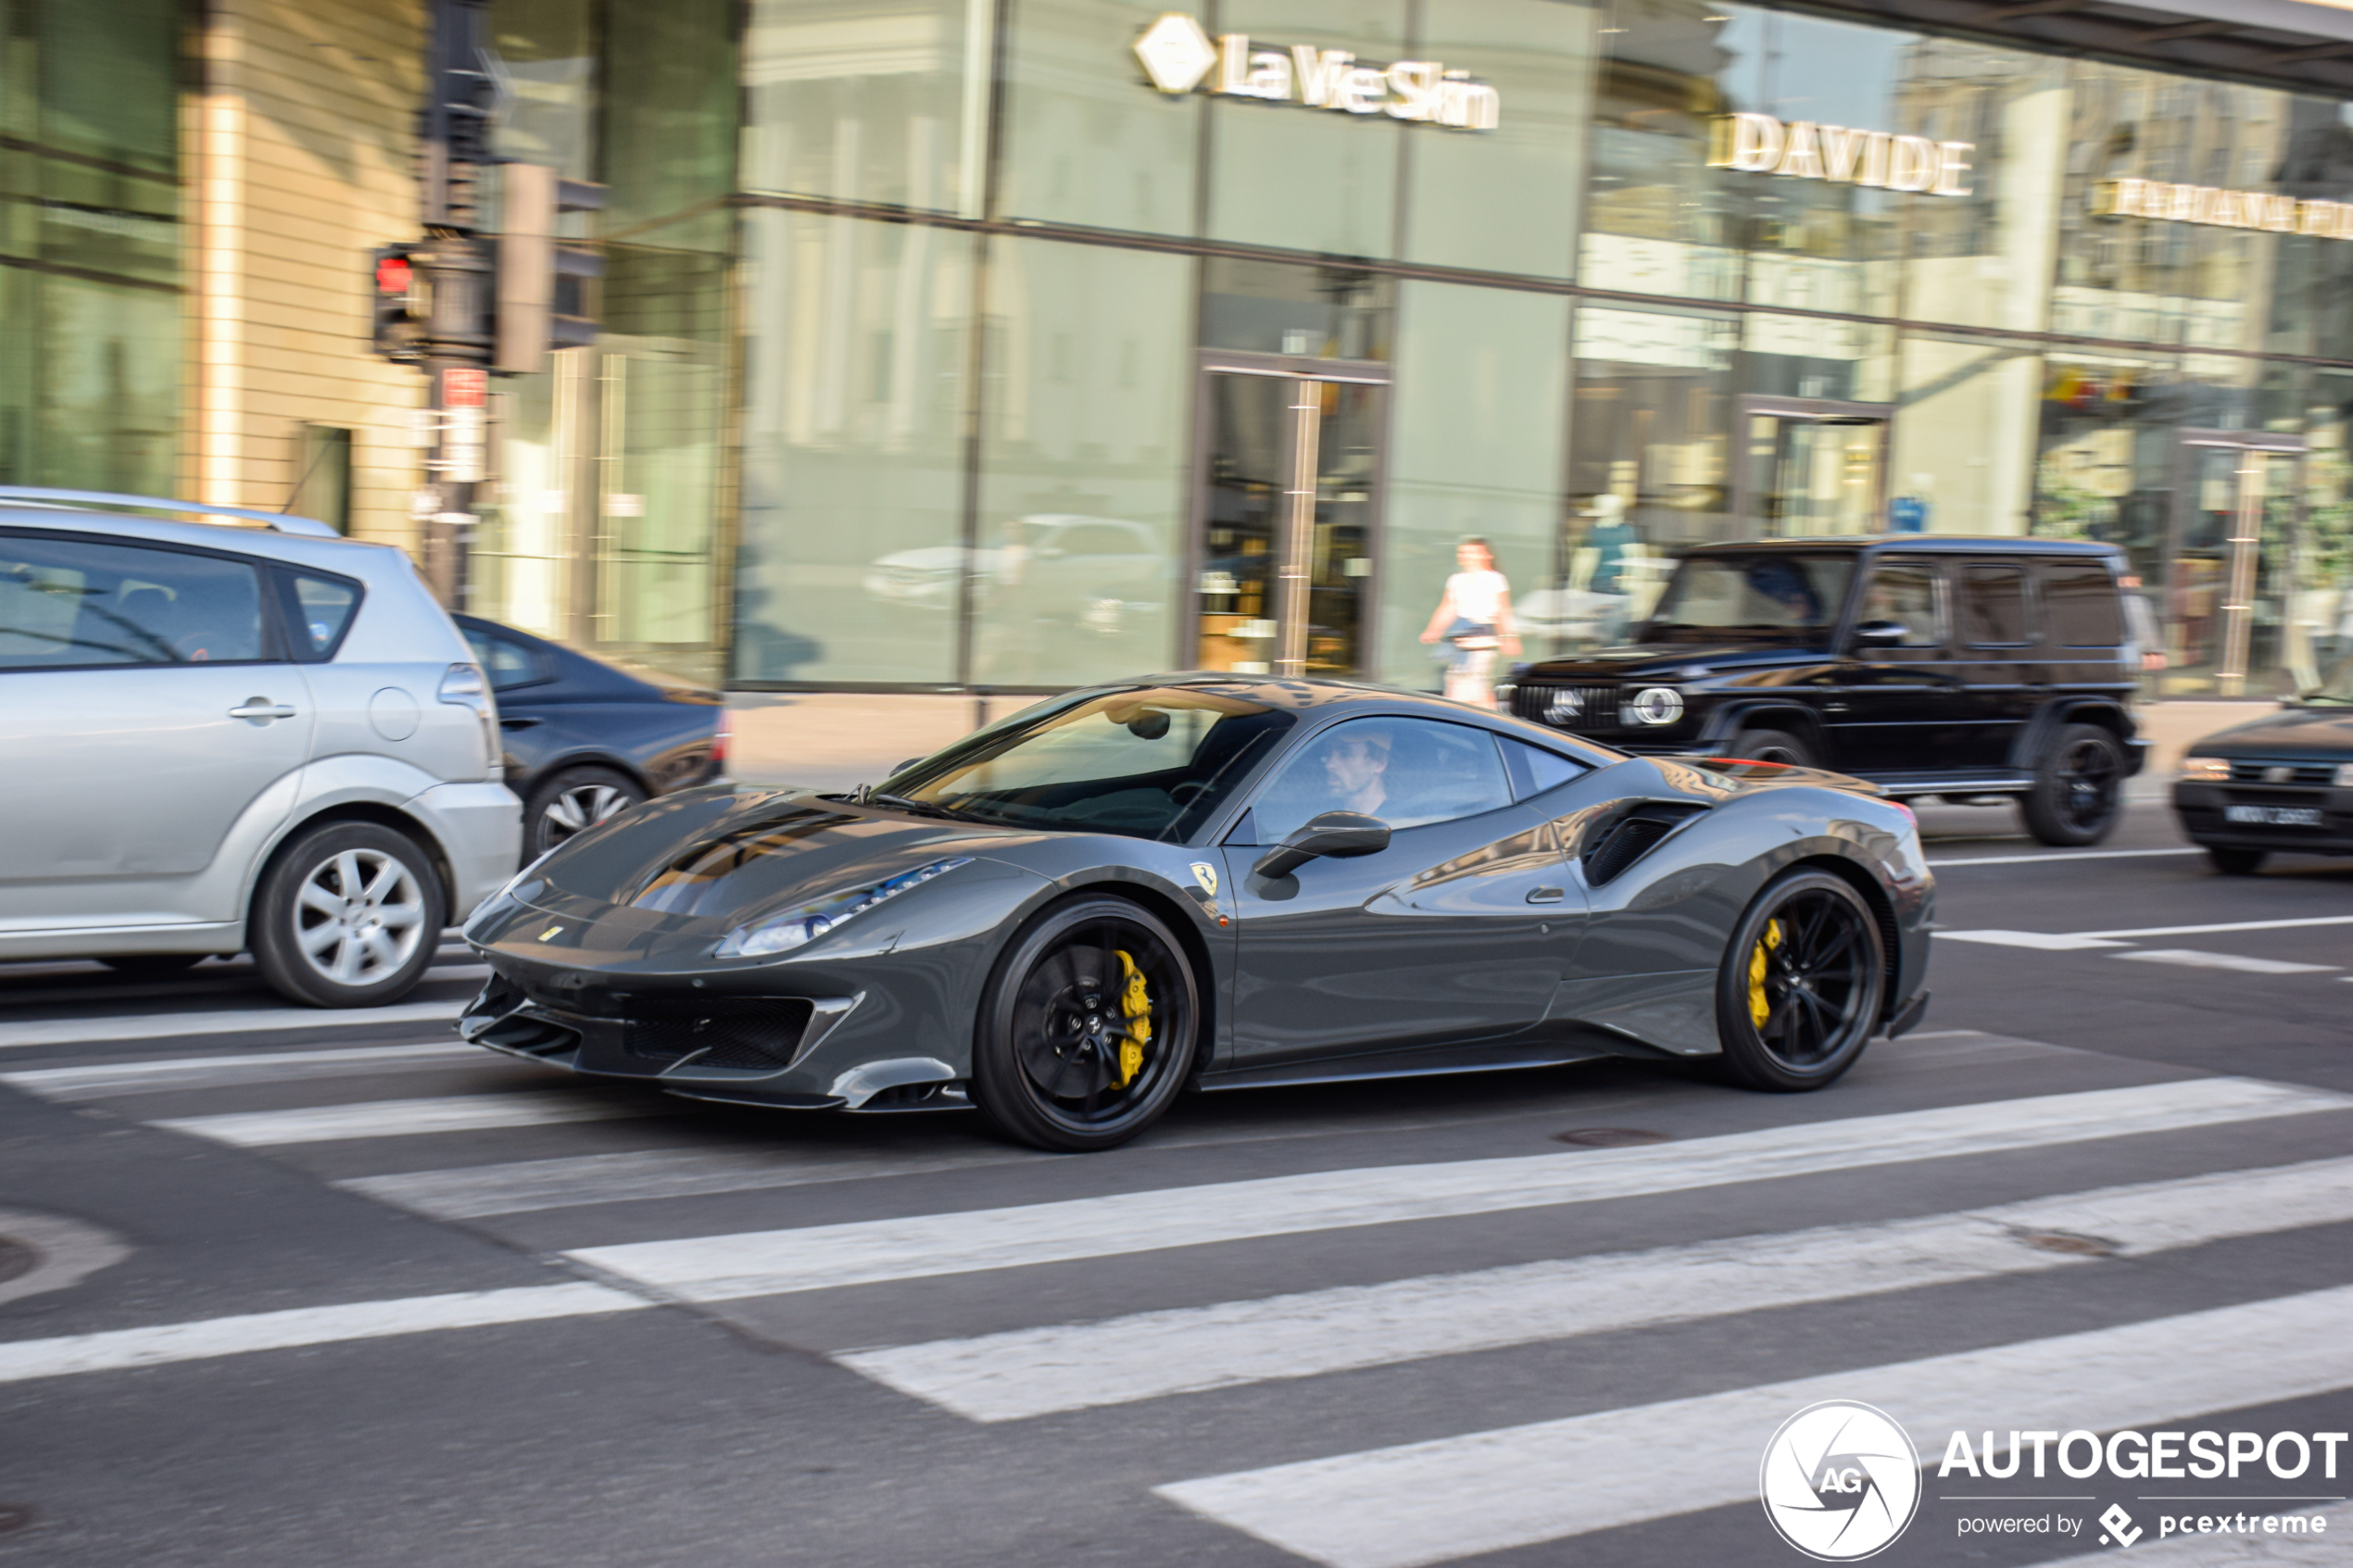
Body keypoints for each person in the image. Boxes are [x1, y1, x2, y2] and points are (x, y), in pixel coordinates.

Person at [1419, 536, 1520, 709]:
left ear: (1485, 555)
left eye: (1471, 552)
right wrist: (1433, 629)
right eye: (1463, 552)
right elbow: (1448, 607)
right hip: (1460, 644)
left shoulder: (1494, 579)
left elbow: (1503, 611)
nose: (1465, 556)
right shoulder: (1456, 579)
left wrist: (1509, 638)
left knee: (1474, 691)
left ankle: (1489, 725)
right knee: (1460, 688)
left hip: (1481, 641)